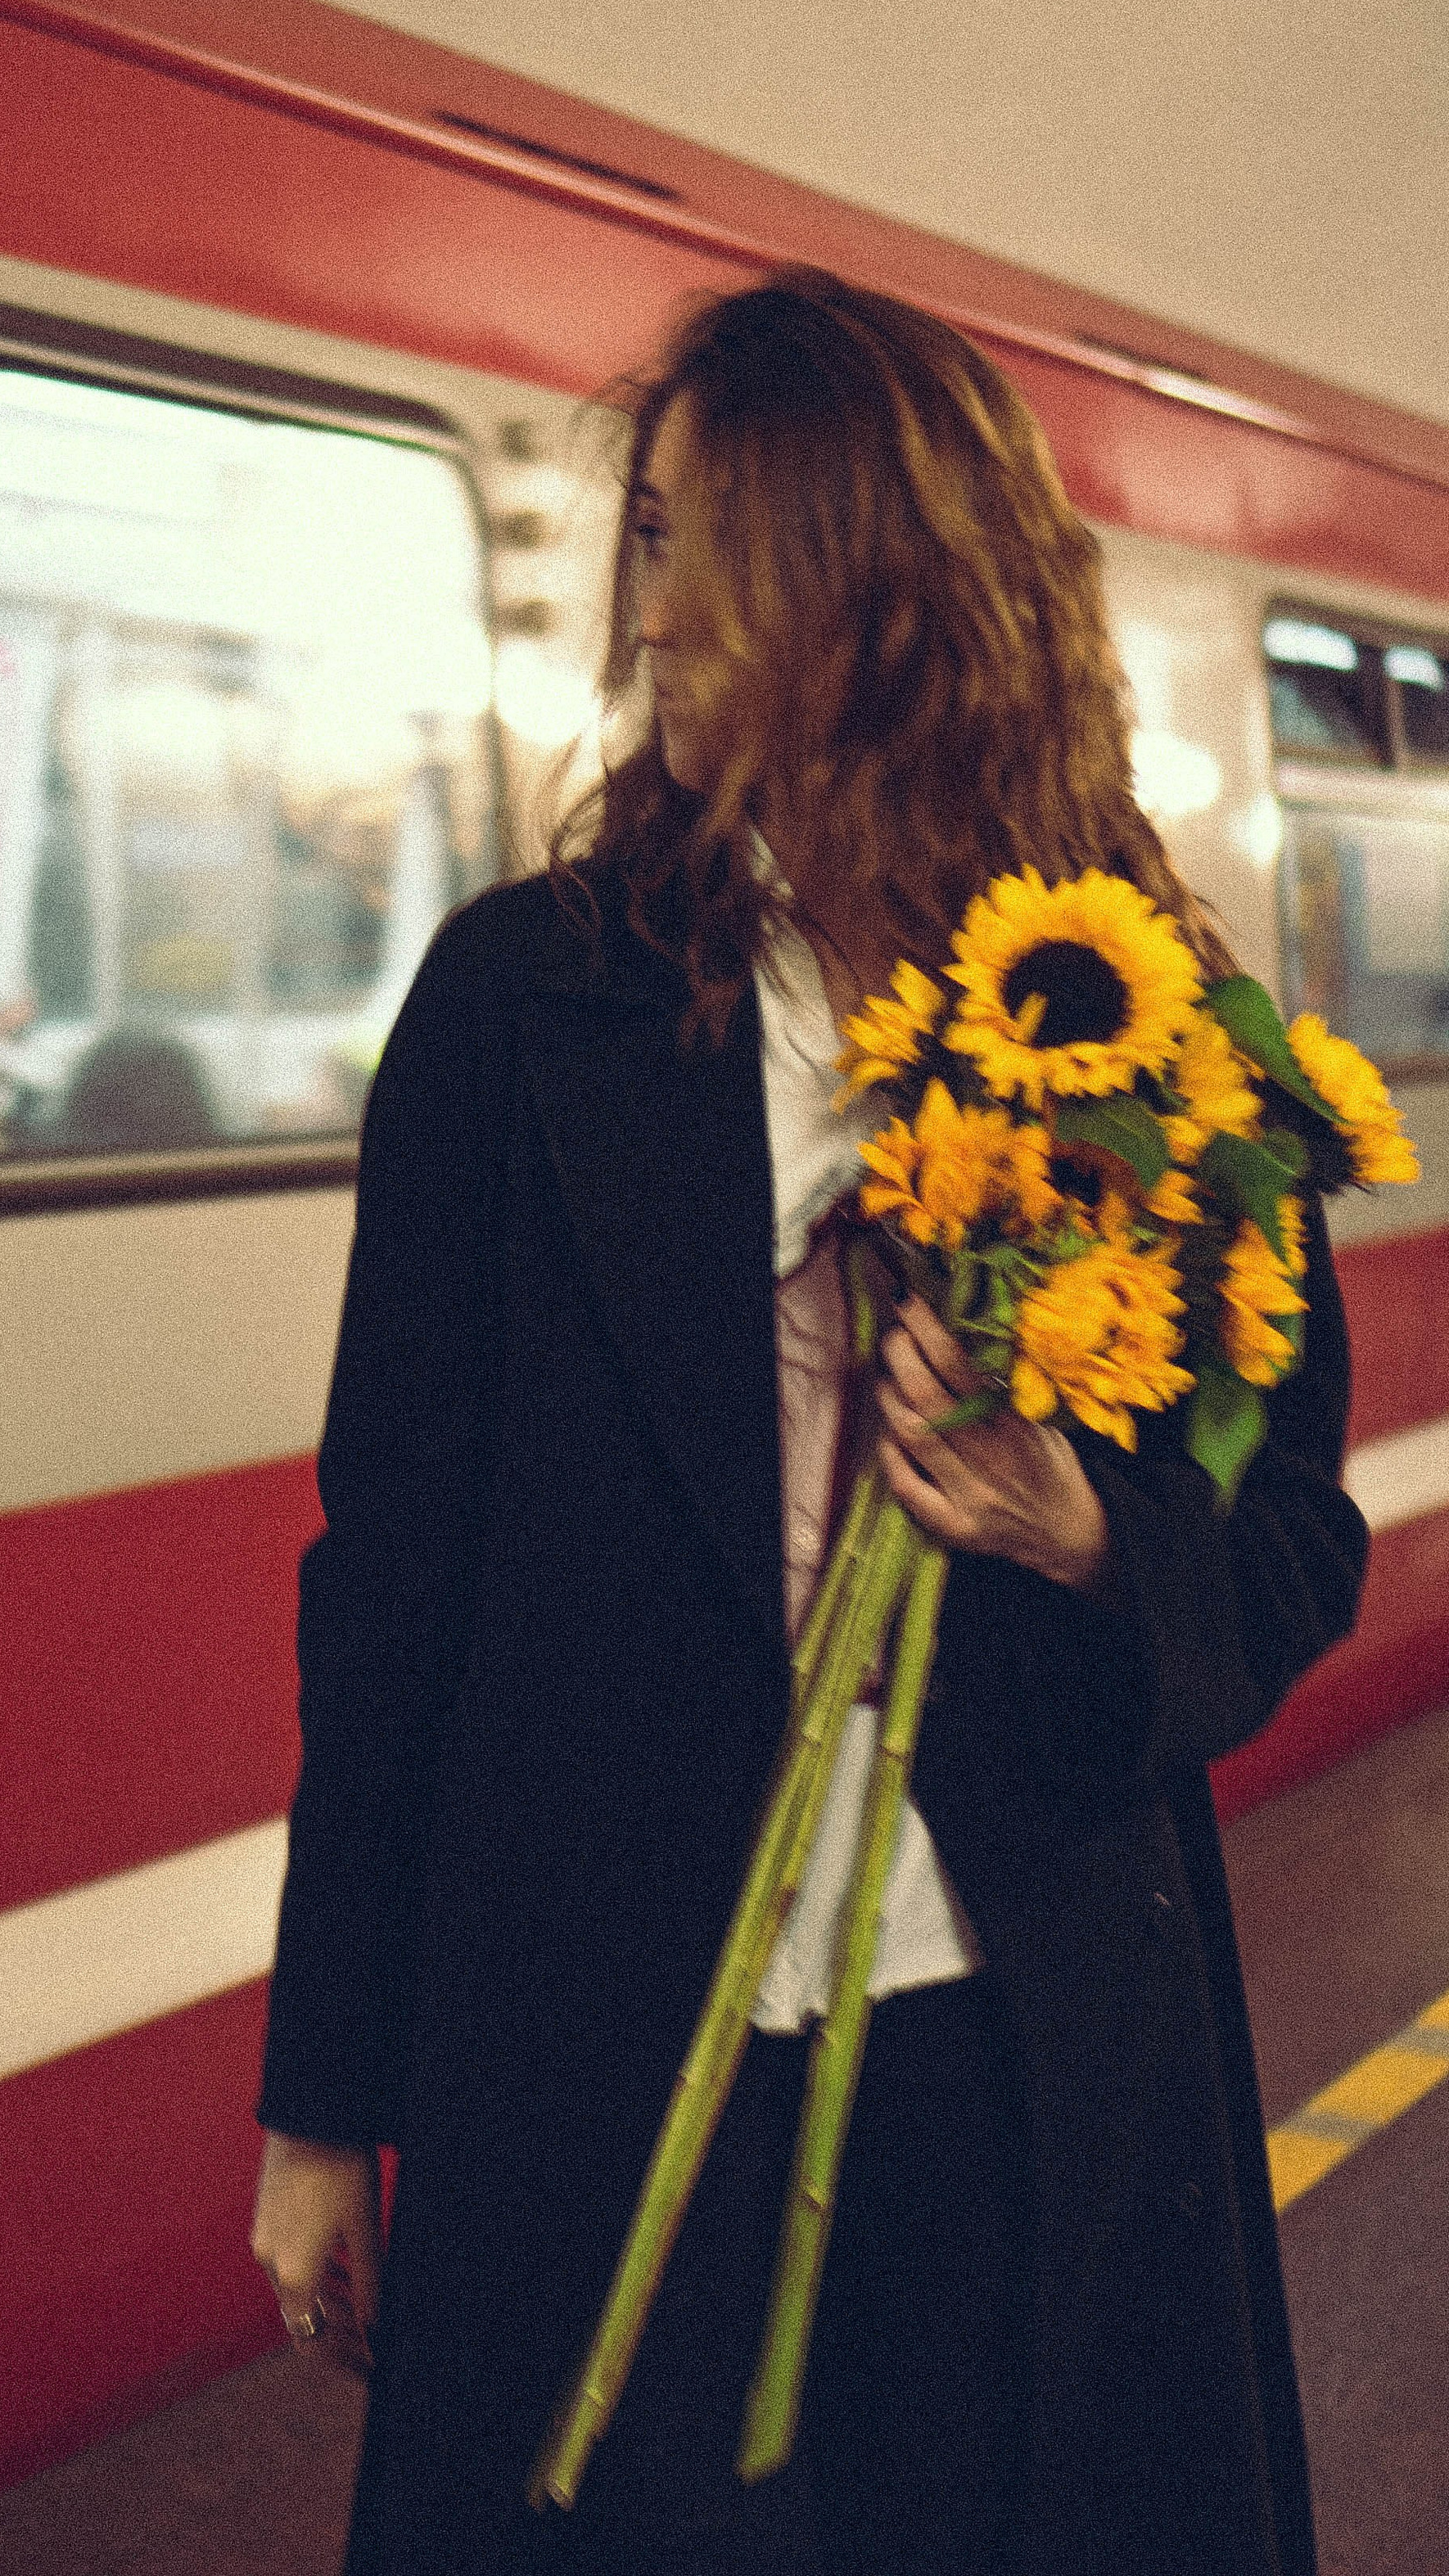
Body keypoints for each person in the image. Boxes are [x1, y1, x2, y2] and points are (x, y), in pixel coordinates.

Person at [250, 272, 1365, 2576]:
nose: (654, 610)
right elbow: (391, 1588)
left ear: (893, 587)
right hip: (600, 2049)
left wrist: (1082, 1534)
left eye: (715, 544)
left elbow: (1286, 1547)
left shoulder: (1150, 1048)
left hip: (1020, 2051)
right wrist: (324, 2098)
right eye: (645, 538)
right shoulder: (517, 1010)